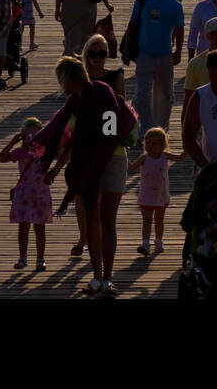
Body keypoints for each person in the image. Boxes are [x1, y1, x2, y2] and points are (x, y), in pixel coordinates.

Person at [35, 57, 137, 297]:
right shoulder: (75, 103)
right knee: (92, 218)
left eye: (61, 80)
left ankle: (109, 278)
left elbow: (111, 131)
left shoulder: (101, 92)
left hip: (111, 159)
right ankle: (96, 277)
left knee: (107, 219)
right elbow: (75, 139)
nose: (61, 86)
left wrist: (97, 160)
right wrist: (58, 168)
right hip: (88, 164)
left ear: (69, 78)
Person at [127, 0, 185, 135]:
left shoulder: (175, 5)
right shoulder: (142, 2)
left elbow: (180, 29)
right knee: (142, 94)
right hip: (144, 54)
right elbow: (132, 25)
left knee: (166, 95)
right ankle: (142, 129)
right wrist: (127, 47)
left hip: (165, 55)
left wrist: (178, 51)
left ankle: (161, 129)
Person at [0, 117, 52, 271]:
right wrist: (13, 142)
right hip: (24, 194)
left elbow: (59, 154)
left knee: (40, 228)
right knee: (23, 227)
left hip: (40, 193)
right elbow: (1, 158)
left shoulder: (44, 152)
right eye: (28, 137)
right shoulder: (20, 152)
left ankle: (40, 259)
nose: (31, 140)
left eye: (35, 136)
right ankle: (22, 258)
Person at [128, 127, 183, 256]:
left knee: (159, 220)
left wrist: (189, 146)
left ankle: (158, 241)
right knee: (146, 221)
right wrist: (124, 153)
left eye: (153, 144)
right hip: (146, 195)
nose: (149, 146)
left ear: (162, 145)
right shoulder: (144, 158)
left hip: (161, 196)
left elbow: (180, 158)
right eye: (147, 143)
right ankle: (145, 243)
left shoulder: (165, 156)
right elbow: (131, 168)